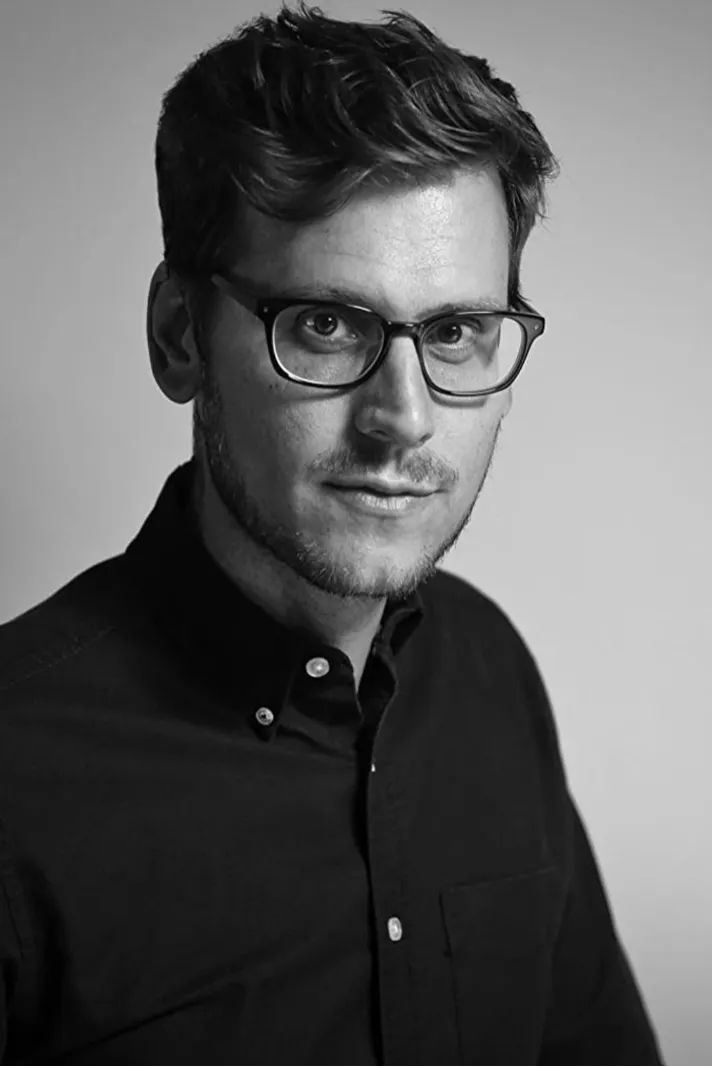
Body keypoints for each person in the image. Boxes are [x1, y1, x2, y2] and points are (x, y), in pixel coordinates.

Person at [0, 3, 664, 1065]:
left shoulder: (489, 668)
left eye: (456, 331)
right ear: (179, 336)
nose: (403, 417)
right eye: (325, 324)